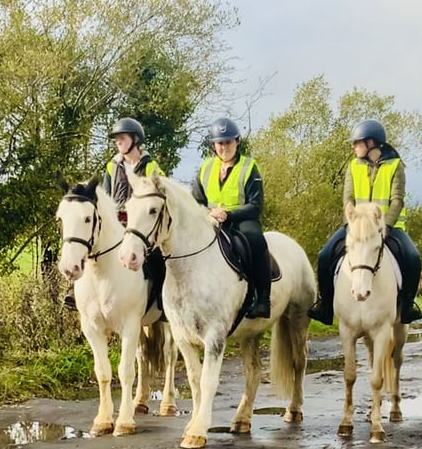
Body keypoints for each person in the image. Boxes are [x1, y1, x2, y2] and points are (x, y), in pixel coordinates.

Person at [308, 119, 422, 325]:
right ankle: (325, 306)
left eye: (357, 142)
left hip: (390, 228)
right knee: (324, 255)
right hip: (357, 228)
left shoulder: (396, 166)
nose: (353, 146)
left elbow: (397, 200)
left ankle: (407, 306)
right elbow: (348, 199)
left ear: (371, 143)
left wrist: (386, 225)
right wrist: (351, 223)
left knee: (413, 258)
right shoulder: (353, 166)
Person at [63, 117, 164, 310]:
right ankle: (74, 291)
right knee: (85, 242)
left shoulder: (151, 167)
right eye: (116, 139)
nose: (118, 143)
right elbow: (107, 196)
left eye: (122, 138)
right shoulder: (112, 165)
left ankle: (161, 297)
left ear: (135, 140)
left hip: (139, 223)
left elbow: (159, 198)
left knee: (157, 255)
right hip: (115, 220)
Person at [189, 117, 271, 319]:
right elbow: (196, 200)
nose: (223, 147)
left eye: (228, 142)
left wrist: (229, 214)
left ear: (237, 142)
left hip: (241, 219)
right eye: (219, 143)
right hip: (210, 219)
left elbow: (255, 205)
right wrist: (207, 213)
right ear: (214, 145)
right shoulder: (206, 167)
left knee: (256, 239)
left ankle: (262, 299)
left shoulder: (249, 166)